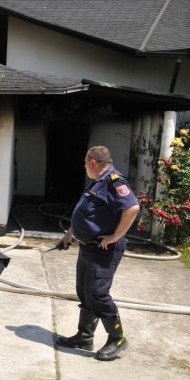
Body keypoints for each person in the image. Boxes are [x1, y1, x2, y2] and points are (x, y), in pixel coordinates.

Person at [55, 146, 139, 361]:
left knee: (98, 294)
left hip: (103, 250)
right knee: (84, 291)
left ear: (92, 162)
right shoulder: (99, 182)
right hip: (87, 247)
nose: (84, 167)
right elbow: (89, 213)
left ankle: (117, 338)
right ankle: (84, 336)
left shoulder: (113, 181)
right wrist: (70, 233)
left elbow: (132, 208)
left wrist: (115, 236)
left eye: (85, 163)